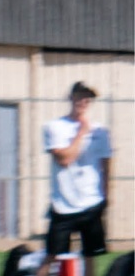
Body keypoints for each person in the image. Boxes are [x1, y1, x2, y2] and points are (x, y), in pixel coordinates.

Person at [43, 82, 110, 262]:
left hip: (91, 202)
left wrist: (105, 196)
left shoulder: (100, 131)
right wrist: (81, 133)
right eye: (80, 96)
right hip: (63, 204)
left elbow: (106, 164)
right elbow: (64, 159)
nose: (83, 101)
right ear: (71, 97)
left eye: (87, 98)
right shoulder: (55, 126)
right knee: (52, 257)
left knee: (90, 257)